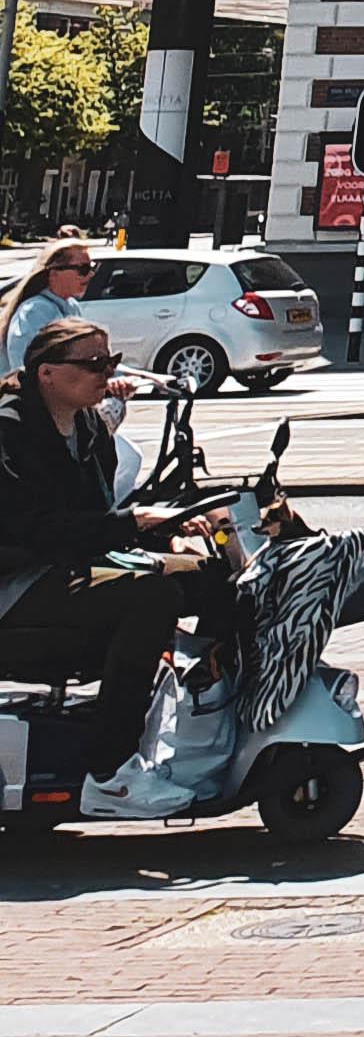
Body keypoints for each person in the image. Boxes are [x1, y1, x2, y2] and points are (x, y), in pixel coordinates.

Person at [0, 314, 234, 790]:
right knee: (151, 595)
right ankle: (112, 765)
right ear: (46, 373)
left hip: (64, 566)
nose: (107, 374)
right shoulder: (11, 429)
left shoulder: (84, 424)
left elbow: (95, 518)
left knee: (210, 575)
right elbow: (37, 530)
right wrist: (134, 523)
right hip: (15, 583)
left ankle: (206, 722)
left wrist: (165, 530)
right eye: (93, 364)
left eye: (111, 362)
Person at [0, 241, 102, 374]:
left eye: (92, 267)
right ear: (53, 273)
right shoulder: (34, 312)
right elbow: (26, 369)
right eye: (83, 269)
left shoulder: (72, 306)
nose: (91, 275)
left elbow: (87, 359)